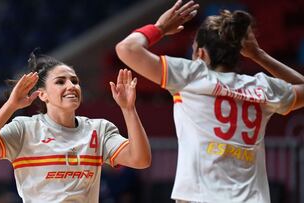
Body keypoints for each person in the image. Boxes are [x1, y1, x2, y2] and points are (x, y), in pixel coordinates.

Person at [116, 0, 304, 202]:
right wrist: (259, 55)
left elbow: (127, 49)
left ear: (201, 53)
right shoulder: (262, 87)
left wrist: (160, 28)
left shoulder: (191, 76)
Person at [0, 53, 151, 203]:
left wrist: (129, 109)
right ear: (43, 95)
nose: (71, 86)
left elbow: (140, 160)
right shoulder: (25, 129)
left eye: (75, 81)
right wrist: (10, 106)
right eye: (61, 82)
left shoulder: (99, 129)